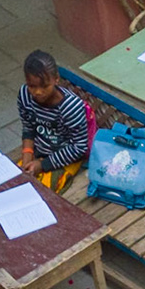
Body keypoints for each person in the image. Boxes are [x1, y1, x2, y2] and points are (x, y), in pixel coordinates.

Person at [17, 50, 91, 190]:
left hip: (65, 157)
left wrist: (43, 165)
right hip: (38, 150)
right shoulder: (24, 95)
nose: (38, 92)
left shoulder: (70, 107)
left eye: (44, 86)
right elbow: (28, 127)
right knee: (15, 182)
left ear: (56, 79)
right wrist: (27, 153)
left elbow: (78, 148)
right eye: (32, 86)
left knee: (41, 191)